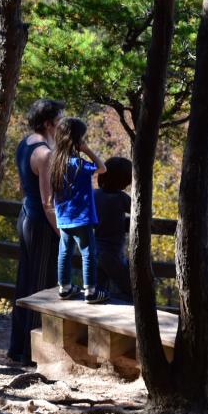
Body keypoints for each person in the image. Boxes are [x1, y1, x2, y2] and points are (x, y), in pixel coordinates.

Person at [8, 99, 63, 365]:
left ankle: (17, 348)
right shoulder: (45, 153)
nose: (61, 122)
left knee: (26, 281)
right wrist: (61, 232)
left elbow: (23, 187)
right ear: (47, 122)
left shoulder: (25, 143)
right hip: (41, 222)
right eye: (58, 118)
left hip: (26, 216)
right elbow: (47, 200)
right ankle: (31, 354)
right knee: (41, 286)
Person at [49, 117, 108, 303]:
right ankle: (90, 291)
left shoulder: (55, 163)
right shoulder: (79, 165)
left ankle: (64, 287)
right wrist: (87, 150)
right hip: (82, 218)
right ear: (77, 141)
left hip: (63, 218)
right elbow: (102, 168)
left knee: (64, 252)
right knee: (88, 253)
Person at [95, 157, 133, 302]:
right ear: (124, 181)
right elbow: (140, 211)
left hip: (94, 250)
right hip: (113, 253)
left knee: (97, 291)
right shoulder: (121, 198)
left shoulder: (94, 195)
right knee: (129, 289)